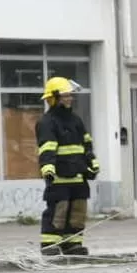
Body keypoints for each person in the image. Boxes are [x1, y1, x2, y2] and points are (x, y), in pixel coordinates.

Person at [35, 76, 98, 257]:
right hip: (59, 176)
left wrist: (92, 163)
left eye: (70, 95)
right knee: (58, 212)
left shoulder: (76, 120)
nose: (70, 99)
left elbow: (86, 144)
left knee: (78, 212)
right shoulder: (47, 122)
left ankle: (73, 245)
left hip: (78, 175)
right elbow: (47, 148)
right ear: (53, 98)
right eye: (65, 96)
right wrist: (47, 168)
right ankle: (50, 244)